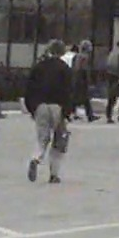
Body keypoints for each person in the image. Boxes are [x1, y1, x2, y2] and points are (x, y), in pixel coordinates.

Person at [24, 40, 73, 184]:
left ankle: (36, 158)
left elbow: (29, 89)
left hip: (40, 106)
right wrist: (67, 112)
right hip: (57, 106)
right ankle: (54, 174)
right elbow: (69, 92)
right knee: (58, 142)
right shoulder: (64, 68)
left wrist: (32, 108)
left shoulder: (38, 67)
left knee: (42, 138)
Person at [71, 40, 99, 122]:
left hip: (75, 78)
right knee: (84, 98)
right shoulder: (85, 57)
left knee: (77, 97)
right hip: (81, 79)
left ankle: (73, 113)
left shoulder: (76, 56)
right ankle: (90, 116)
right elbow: (85, 70)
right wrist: (89, 81)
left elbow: (74, 67)